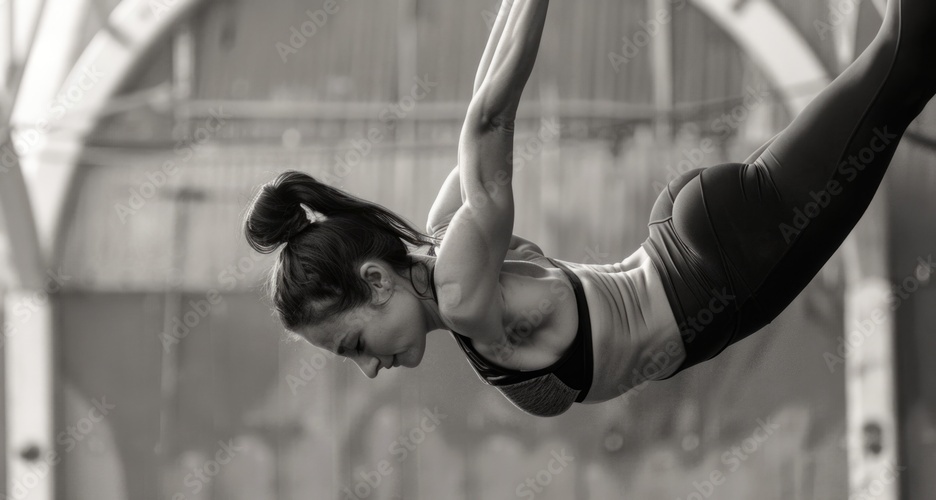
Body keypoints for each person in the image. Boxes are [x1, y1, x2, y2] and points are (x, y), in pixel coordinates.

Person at [244, 0, 936, 417]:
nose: (369, 368)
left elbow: (489, 120)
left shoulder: (461, 295)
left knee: (907, 57)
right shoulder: (446, 243)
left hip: (726, 271)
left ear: (374, 280)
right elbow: (479, 104)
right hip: (703, 251)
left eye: (354, 345)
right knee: (898, 65)